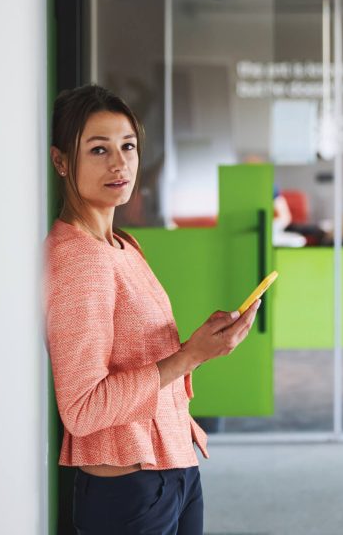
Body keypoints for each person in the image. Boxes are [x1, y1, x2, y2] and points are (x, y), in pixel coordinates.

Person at [43, 85, 261, 535]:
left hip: (173, 466)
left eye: (128, 146)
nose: (119, 163)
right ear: (61, 161)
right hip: (129, 489)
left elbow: (143, 356)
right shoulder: (78, 259)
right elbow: (82, 409)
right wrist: (190, 356)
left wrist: (201, 345)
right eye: (98, 149)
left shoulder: (121, 244)